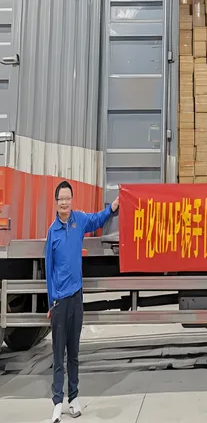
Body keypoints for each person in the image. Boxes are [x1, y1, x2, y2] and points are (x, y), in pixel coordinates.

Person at [45, 180, 119, 423]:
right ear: (56, 203)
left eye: (68, 198)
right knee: (58, 354)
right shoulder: (52, 231)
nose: (64, 203)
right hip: (60, 301)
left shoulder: (79, 221)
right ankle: (57, 402)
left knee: (74, 352)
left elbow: (98, 220)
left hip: (76, 297)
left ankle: (73, 398)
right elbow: (49, 270)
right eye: (61, 199)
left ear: (71, 200)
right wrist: (51, 302)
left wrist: (113, 207)